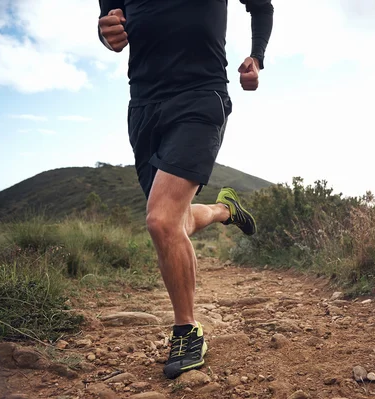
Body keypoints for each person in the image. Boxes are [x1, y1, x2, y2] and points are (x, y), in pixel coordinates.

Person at [97, 0, 273, 379]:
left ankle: (186, 330)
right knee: (173, 222)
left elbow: (262, 6)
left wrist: (257, 57)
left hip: (200, 95)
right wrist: (106, 31)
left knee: (160, 221)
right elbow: (110, 23)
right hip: (143, 104)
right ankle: (225, 210)